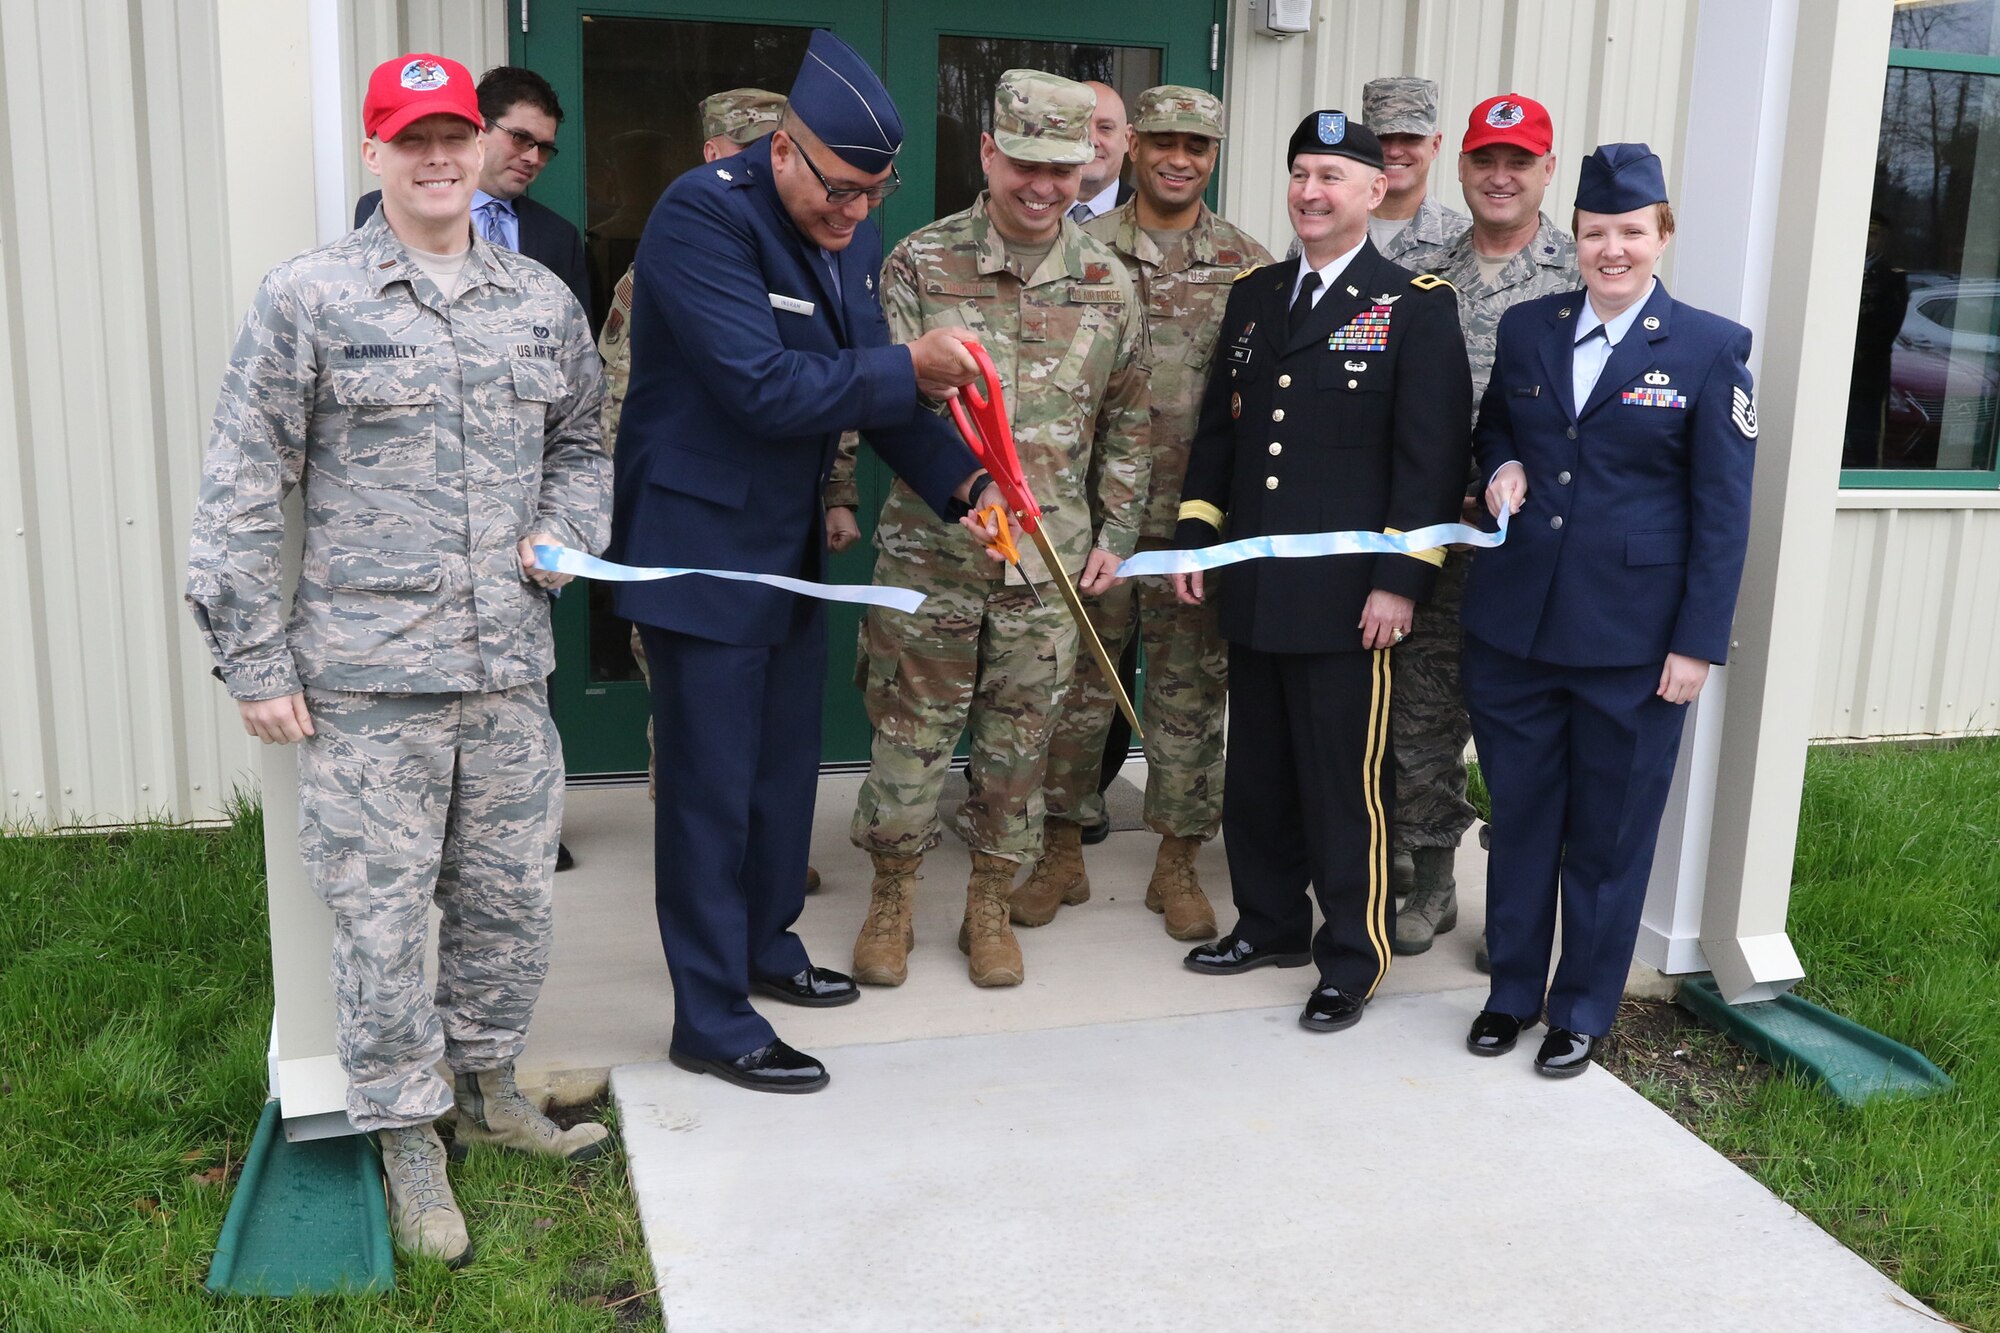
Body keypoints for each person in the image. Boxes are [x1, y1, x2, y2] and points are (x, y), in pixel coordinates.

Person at [187, 53, 613, 1266]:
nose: (436, 159)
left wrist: (570, 534)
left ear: (483, 150)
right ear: (375, 156)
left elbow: (585, 442)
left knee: (510, 907)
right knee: (379, 929)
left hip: (505, 675)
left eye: (455, 137)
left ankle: (485, 1090)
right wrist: (253, 656)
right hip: (367, 683)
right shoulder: (311, 298)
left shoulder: (536, 299)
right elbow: (239, 484)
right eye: (408, 139)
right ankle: (408, 1133)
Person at [611, 30, 991, 1095]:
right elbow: (764, 387)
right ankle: (710, 1016)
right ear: (784, 149)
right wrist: (905, 367)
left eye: (874, 196)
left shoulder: (845, 237)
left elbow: (883, 395)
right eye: (838, 191)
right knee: (707, 790)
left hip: (781, 552)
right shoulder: (701, 218)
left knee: (779, 779)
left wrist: (966, 486)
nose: (855, 214)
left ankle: (764, 947)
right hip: (700, 554)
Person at [843, 69, 1150, 990]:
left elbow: (1131, 420)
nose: (1043, 186)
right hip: (935, 556)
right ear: (987, 153)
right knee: (908, 740)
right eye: (1024, 163)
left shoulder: (1109, 282)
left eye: (1063, 166)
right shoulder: (919, 265)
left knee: (1019, 752)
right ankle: (891, 898)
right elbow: (890, 409)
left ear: (1089, 162)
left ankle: (987, 904)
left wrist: (1118, 530)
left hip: (1045, 570)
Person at [1461, 143, 1757, 1077]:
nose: (1613, 250)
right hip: (1516, 631)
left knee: (1608, 834)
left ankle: (1582, 1007)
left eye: (1632, 231)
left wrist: (1697, 644)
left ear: (1662, 235)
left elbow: (1723, 511)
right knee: (1522, 822)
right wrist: (1496, 464)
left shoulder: (1711, 347)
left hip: (1634, 643)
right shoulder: (1528, 328)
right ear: (1575, 238)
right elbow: (1497, 426)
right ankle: (1512, 991)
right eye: (1596, 233)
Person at [1172, 112, 1471, 1034]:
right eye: (1300, 172)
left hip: (1351, 603)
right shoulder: (1256, 294)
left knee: (1343, 786)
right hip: (1256, 586)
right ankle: (1269, 926)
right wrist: (1198, 537)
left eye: (1332, 176)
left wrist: (1401, 579)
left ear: (1375, 192)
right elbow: (1224, 433)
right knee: (1257, 776)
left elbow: (1432, 460)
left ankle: (1353, 954)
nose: (1311, 191)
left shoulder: (1414, 304)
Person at [1027, 85, 1272, 940]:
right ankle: (1060, 849)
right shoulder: (1080, 248)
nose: (1179, 159)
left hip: (1197, 528)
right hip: (1095, 522)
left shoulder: (1251, 264)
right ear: (1131, 145)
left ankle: (1177, 860)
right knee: (1075, 693)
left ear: (1214, 154)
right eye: (1163, 141)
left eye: (1196, 146)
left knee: (1189, 699)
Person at [1391, 92, 1578, 960]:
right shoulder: (1416, 264)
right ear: (1459, 166)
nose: (1500, 176)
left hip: (1540, 552)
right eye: (1485, 160)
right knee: (1418, 717)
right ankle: (1427, 877)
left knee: (1526, 730)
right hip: (1433, 540)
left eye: (1520, 161)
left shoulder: (1587, 272)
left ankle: (1519, 895)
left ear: (1547, 170)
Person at [356, 65, 590, 315]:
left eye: (544, 148)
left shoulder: (560, 236)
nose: (533, 158)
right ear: (480, 129)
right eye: (520, 138)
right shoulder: (381, 209)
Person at [1361, 76, 1468, 271]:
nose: (1394, 152)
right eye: (1382, 138)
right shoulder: (1330, 230)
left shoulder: (1465, 240)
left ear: (1435, 145)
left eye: (1411, 138)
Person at [1069, 80, 1131, 222]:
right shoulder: (1028, 210)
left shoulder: (1149, 217)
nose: (1091, 140)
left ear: (1127, 139)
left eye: (1105, 128)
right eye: (1079, 126)